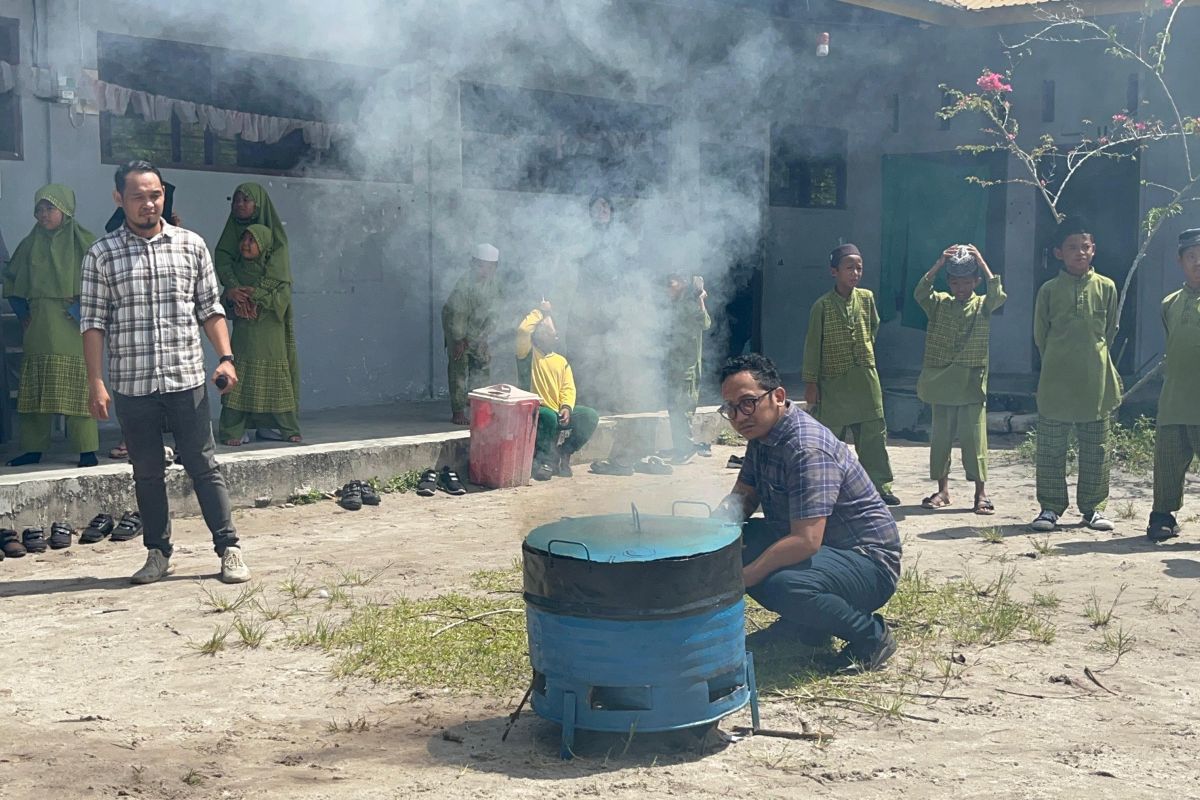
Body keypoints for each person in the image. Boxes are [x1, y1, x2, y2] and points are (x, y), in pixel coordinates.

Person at [80, 160, 250, 585]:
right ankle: (157, 553)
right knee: (147, 471)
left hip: (185, 378)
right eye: (138, 196)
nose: (148, 204)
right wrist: (96, 382)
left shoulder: (191, 246)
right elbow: (93, 323)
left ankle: (229, 548)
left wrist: (225, 358)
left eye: (155, 195)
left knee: (203, 465)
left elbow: (210, 309)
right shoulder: (102, 255)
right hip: (133, 385)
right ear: (120, 199)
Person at [712, 353, 901, 671]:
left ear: (778, 396)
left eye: (747, 402)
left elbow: (806, 542)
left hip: (867, 562)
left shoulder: (806, 449)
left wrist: (742, 578)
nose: (739, 415)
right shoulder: (761, 437)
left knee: (784, 585)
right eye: (730, 408)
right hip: (826, 551)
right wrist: (704, 538)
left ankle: (871, 637)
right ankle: (804, 627)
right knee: (734, 542)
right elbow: (742, 500)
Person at [1029, 216, 1122, 532]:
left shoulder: (1107, 287)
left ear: (1094, 249)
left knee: (1096, 449)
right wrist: (1060, 360)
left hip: (1095, 382)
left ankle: (1093, 509)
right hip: (1056, 381)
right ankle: (1050, 508)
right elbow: (1040, 335)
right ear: (1059, 253)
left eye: (1085, 247)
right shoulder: (1049, 290)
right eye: (1072, 248)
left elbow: (1108, 332)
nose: (1079, 253)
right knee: (1051, 449)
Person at [2, 185, 100, 467]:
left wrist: (83, 310)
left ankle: (86, 449)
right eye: (39, 209)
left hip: (73, 327)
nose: (44, 215)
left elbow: (102, 283)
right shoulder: (29, 244)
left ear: (66, 209)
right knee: (35, 389)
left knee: (80, 387)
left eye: (50, 208)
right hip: (39, 326)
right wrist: (22, 313)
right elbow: (11, 280)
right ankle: (33, 448)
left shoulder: (86, 243)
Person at [802, 244, 900, 505]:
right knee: (830, 438)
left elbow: (873, 327)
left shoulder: (866, 298)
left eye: (859, 268)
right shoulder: (821, 306)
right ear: (834, 271)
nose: (855, 273)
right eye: (849, 268)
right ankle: (829, 487)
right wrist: (812, 383)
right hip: (834, 382)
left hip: (865, 380)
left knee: (873, 436)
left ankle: (879, 487)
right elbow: (813, 346)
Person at [915, 244, 1006, 514]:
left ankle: (981, 493)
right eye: (955, 282)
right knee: (940, 439)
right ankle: (943, 491)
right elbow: (920, 293)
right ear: (949, 283)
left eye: (967, 281)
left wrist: (981, 259)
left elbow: (998, 293)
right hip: (941, 381)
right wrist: (938, 263)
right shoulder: (939, 303)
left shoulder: (983, 306)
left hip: (971, 383)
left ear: (976, 281)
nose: (961, 287)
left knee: (974, 440)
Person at [213, 182, 297, 443]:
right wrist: (234, 291)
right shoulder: (232, 239)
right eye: (235, 200)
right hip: (243, 318)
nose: (239, 205)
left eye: (246, 200)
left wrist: (255, 296)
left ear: (258, 205)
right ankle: (236, 427)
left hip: (268, 317)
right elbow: (223, 261)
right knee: (243, 370)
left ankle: (270, 425)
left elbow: (278, 281)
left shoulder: (277, 243)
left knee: (273, 371)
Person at [1146, 228, 1200, 541]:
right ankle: (1162, 516)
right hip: (1174, 399)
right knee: (1167, 462)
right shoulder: (1170, 303)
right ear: (1180, 262)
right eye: (1191, 257)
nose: (1198, 264)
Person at [516, 303, 599, 481]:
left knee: (590, 416)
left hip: (558, 411)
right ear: (538, 336)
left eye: (555, 333)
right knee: (547, 416)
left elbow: (568, 388)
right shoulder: (528, 354)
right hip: (537, 410)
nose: (555, 336)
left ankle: (564, 452)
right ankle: (545, 461)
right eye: (550, 332)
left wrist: (567, 407)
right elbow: (523, 330)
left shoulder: (561, 361)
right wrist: (542, 312)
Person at [442, 243, 499, 425]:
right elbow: (457, 314)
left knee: (482, 365)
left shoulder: (494, 285)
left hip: (478, 330)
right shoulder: (464, 285)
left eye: (490, 266)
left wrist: (484, 337)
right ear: (473, 264)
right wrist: (459, 340)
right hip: (456, 329)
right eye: (481, 265)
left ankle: (478, 407)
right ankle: (458, 411)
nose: (485, 270)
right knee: (459, 367)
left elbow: (495, 313)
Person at [664, 272, 712, 463]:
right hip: (675, 365)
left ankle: (685, 448)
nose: (667, 289)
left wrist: (699, 299)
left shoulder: (688, 303)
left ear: (682, 283)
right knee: (674, 407)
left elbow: (705, 322)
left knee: (682, 408)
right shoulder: (677, 303)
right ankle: (680, 446)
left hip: (686, 368)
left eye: (670, 283)